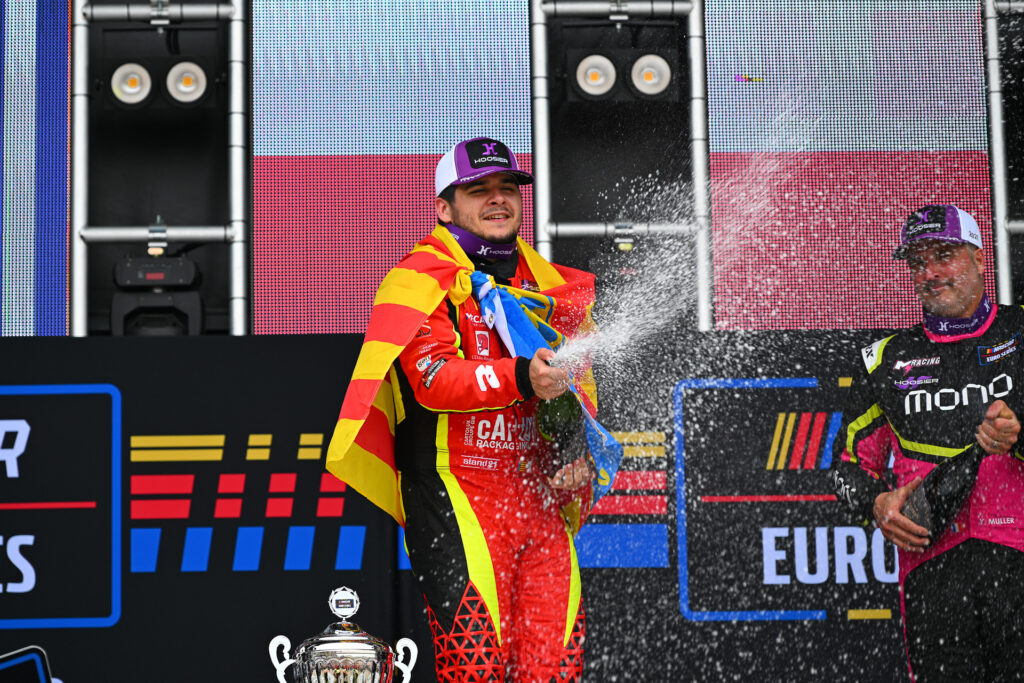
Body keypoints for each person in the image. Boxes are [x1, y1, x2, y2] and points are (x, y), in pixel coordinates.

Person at [326, 137, 606, 682]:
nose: (498, 199)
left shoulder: (549, 288)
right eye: (479, 190)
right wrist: (521, 376)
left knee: (556, 668)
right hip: (456, 495)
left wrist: (576, 451)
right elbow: (433, 381)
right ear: (444, 208)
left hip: (537, 499)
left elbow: (574, 394)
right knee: (475, 667)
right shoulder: (418, 280)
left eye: (508, 188)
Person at [830, 204, 1024, 680]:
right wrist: (876, 503)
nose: (930, 273)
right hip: (932, 569)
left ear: (980, 257)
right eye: (918, 262)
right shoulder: (884, 360)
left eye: (944, 255)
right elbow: (845, 466)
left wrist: (1019, 435)